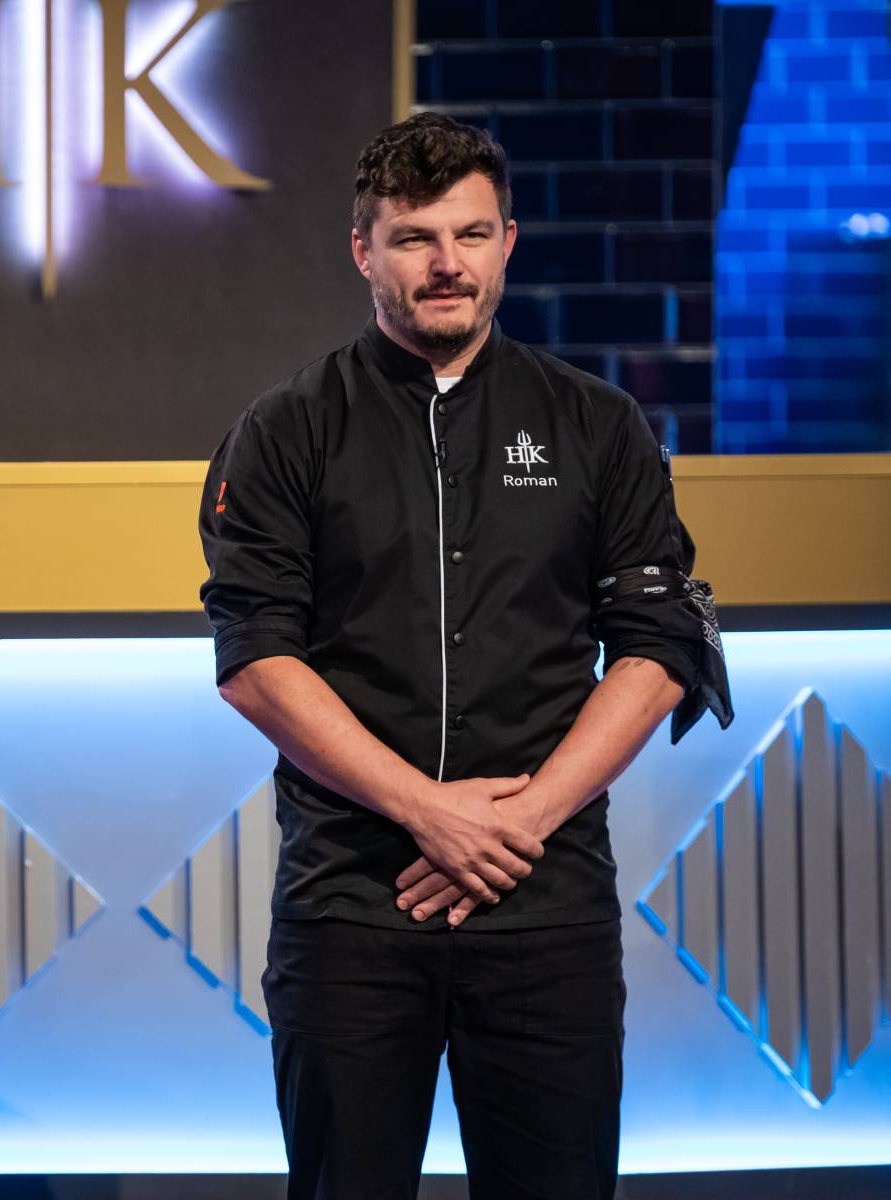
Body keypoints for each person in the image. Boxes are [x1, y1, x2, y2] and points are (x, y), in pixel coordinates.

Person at [198, 112, 730, 1200]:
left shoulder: (599, 424)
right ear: (364, 250)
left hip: (547, 904)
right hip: (352, 906)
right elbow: (256, 656)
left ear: (508, 243)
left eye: (472, 235)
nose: (447, 263)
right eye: (415, 238)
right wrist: (427, 812)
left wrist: (515, 823)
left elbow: (659, 644)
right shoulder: (287, 428)